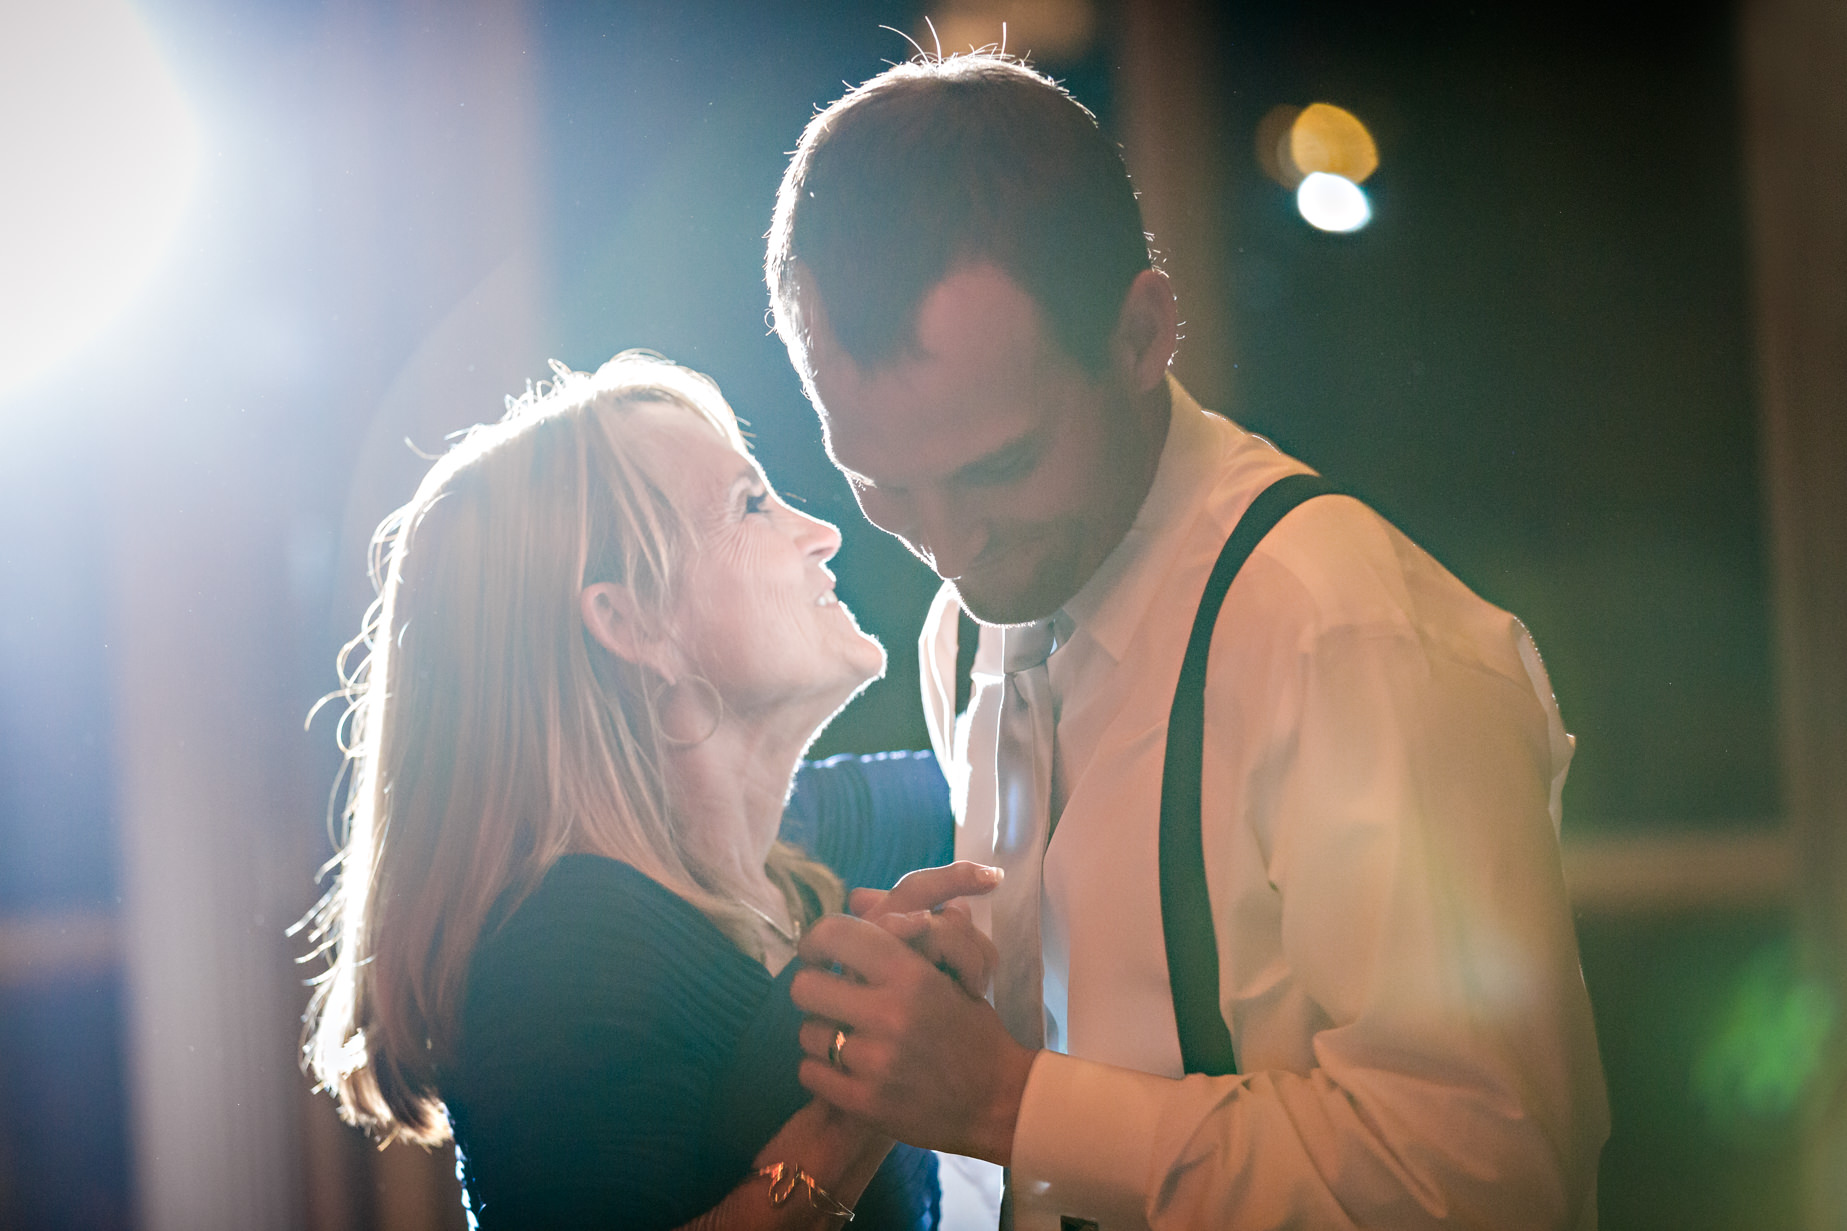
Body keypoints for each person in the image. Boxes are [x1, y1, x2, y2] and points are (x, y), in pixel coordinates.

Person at [766, 53, 1611, 1229]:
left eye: (997, 467)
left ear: (1143, 332)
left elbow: (1487, 1175)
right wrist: (963, 999)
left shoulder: (1340, 634)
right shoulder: (972, 622)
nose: (950, 548)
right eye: (880, 488)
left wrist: (1013, 1101)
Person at [299, 351, 994, 1229]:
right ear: (631, 621)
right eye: (751, 505)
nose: (821, 533)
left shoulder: (799, 848)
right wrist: (855, 1109)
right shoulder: (562, 956)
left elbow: (1012, 784)